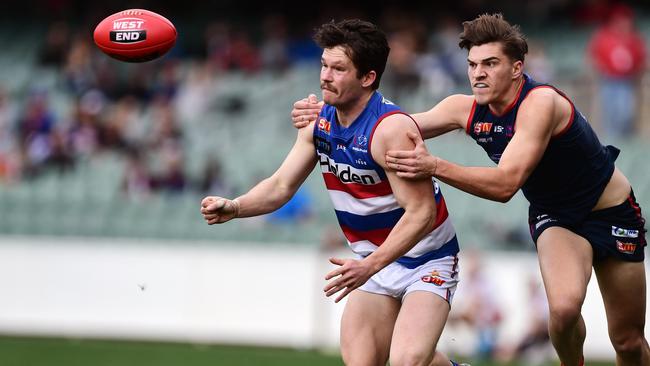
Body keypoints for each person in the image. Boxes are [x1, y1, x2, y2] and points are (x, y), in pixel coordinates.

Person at [291, 13, 648, 366]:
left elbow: (507, 184)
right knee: (565, 309)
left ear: (516, 68)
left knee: (628, 341)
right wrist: (328, 111)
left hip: (611, 210)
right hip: (556, 215)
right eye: (473, 64)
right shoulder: (462, 108)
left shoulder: (540, 104)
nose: (478, 73)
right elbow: (384, 127)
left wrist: (435, 166)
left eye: (490, 63)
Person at [202, 19, 468, 366]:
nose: (325, 75)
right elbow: (282, 185)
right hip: (373, 260)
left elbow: (421, 214)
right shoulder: (320, 122)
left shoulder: (390, 129)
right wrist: (236, 206)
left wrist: (368, 266)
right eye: (324, 65)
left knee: (406, 362)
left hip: (426, 260)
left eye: (339, 68)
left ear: (367, 77)